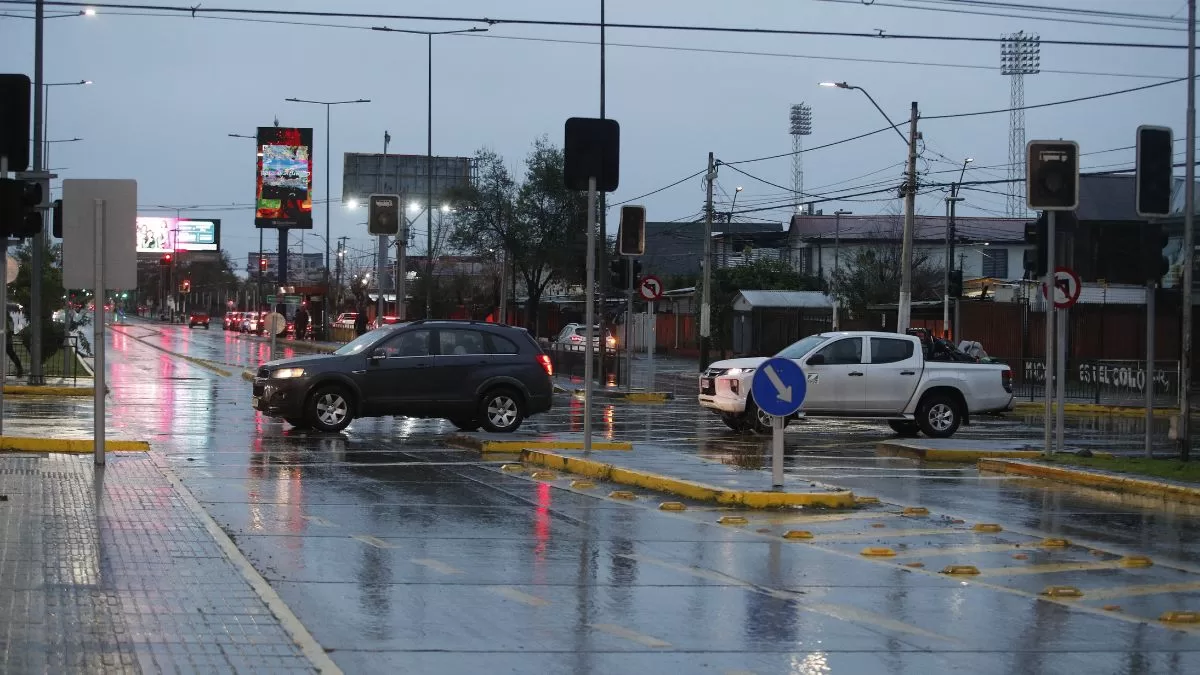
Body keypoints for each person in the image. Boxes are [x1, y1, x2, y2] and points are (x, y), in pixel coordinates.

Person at [6, 312, 23, 378]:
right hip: (6, 339)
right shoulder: (7, 317)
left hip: (6, 340)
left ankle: (19, 369)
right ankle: (19, 369)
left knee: (11, 354)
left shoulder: (7, 318)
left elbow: (10, 330)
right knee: (11, 354)